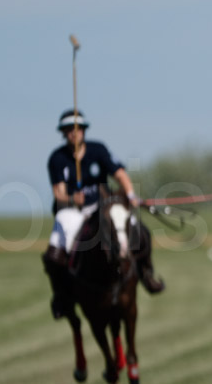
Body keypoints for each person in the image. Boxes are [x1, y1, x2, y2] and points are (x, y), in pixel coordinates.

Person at [42, 109, 164, 320]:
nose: (74, 133)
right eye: (69, 129)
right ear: (63, 133)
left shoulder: (98, 150)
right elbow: (58, 194)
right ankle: (62, 296)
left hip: (103, 207)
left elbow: (120, 174)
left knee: (138, 231)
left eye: (78, 129)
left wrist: (130, 194)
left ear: (84, 130)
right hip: (72, 211)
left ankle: (146, 274)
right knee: (54, 254)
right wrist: (72, 199)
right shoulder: (57, 158)